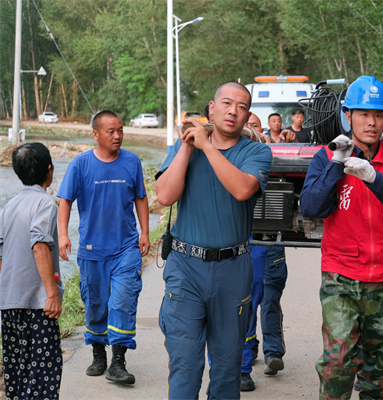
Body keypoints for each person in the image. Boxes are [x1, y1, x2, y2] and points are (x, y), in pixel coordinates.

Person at [300, 75, 383, 400]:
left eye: (378, 115)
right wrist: (338, 164)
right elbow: (312, 205)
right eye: (363, 114)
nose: (371, 122)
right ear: (348, 115)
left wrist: (374, 176)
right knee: (338, 362)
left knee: (381, 374)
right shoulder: (327, 158)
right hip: (341, 279)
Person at [155, 81, 272, 400]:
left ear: (248, 115)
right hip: (185, 269)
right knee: (185, 364)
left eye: (242, 106)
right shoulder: (184, 147)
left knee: (226, 367)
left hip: (232, 270)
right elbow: (165, 195)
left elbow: (242, 189)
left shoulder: (257, 151)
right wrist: (189, 147)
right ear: (212, 107)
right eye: (227, 103)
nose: (233, 110)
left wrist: (207, 146)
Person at [58, 110, 149, 385]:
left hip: (126, 248)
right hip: (92, 249)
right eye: (111, 131)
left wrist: (145, 232)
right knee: (95, 303)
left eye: (120, 130)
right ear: (95, 134)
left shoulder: (132, 161)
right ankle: (99, 354)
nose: (118, 136)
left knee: (123, 301)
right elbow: (65, 201)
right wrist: (63, 235)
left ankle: (118, 361)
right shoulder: (80, 164)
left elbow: (141, 198)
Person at [0, 143, 64, 400]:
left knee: (17, 375)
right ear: (50, 170)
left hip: (9, 303)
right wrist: (51, 294)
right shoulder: (45, 203)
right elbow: (39, 246)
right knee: (42, 380)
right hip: (37, 306)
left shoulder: (9, 207)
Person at [240, 240, 288, 391]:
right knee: (261, 304)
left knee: (263, 303)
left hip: (260, 248)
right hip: (260, 248)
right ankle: (265, 351)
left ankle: (271, 352)